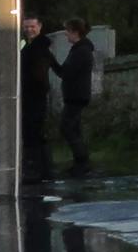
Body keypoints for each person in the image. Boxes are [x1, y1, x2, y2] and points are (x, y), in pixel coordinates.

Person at [60, 18, 98, 178]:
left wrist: (52, 63)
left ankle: (82, 163)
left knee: (67, 128)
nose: (66, 34)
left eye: (68, 31)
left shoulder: (81, 51)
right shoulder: (80, 49)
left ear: (75, 32)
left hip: (76, 95)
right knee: (74, 129)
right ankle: (80, 162)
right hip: (76, 95)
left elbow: (68, 72)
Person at [20, 15, 55, 186]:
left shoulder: (40, 46)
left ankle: (37, 170)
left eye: (32, 26)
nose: (29, 30)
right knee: (35, 133)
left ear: (40, 26)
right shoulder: (28, 44)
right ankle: (44, 169)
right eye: (26, 26)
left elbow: (40, 71)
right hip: (30, 94)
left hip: (35, 94)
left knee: (34, 132)